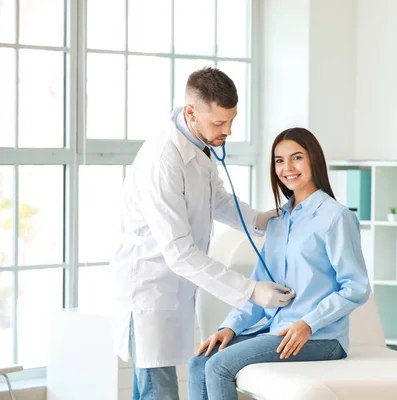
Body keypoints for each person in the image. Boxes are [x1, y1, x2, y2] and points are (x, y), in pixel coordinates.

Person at [111, 67, 294, 400]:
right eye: (219, 123)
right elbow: (179, 252)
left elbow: (217, 198)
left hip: (173, 285)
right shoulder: (162, 160)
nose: (227, 131)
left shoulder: (198, 143)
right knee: (158, 390)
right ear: (191, 112)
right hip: (151, 287)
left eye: (231, 121)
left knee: (154, 388)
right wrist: (251, 290)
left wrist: (258, 220)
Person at [187, 127, 372, 400]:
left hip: (321, 337)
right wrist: (230, 326)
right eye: (279, 160)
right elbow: (260, 288)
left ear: (313, 160)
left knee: (219, 366)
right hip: (277, 329)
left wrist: (308, 323)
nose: (288, 168)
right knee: (201, 361)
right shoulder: (278, 221)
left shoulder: (336, 217)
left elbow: (356, 287)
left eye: (296, 157)